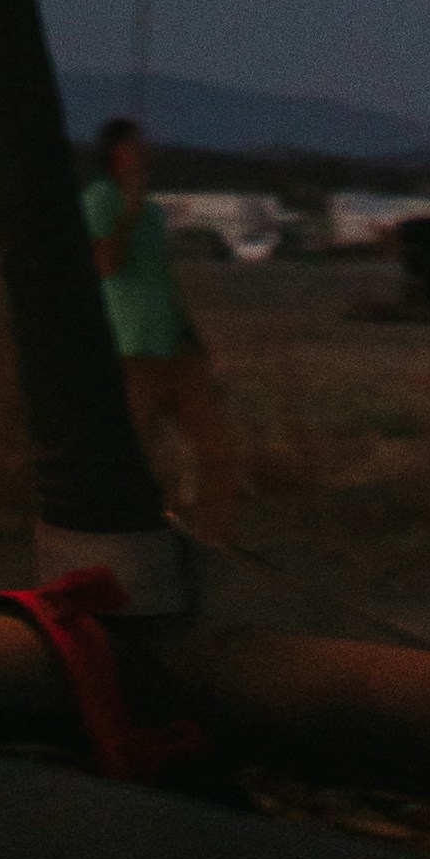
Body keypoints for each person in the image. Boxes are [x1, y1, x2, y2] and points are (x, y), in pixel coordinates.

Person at [81, 109, 243, 555]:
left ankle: (215, 543)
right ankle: (129, 546)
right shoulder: (100, 199)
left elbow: (161, 278)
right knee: (135, 457)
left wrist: (191, 333)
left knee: (217, 451)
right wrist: (128, 211)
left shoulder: (153, 211)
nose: (146, 150)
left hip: (175, 350)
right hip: (133, 352)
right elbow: (106, 264)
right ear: (117, 153)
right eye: (136, 143)